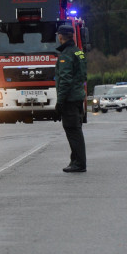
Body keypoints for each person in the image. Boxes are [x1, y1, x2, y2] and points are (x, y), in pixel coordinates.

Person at [55, 24, 87, 173]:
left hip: (70, 99)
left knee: (72, 130)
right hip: (78, 96)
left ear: (61, 36)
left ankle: (79, 163)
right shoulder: (79, 52)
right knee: (76, 129)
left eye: (58, 36)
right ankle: (75, 160)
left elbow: (65, 80)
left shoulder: (66, 55)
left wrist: (60, 102)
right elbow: (82, 75)